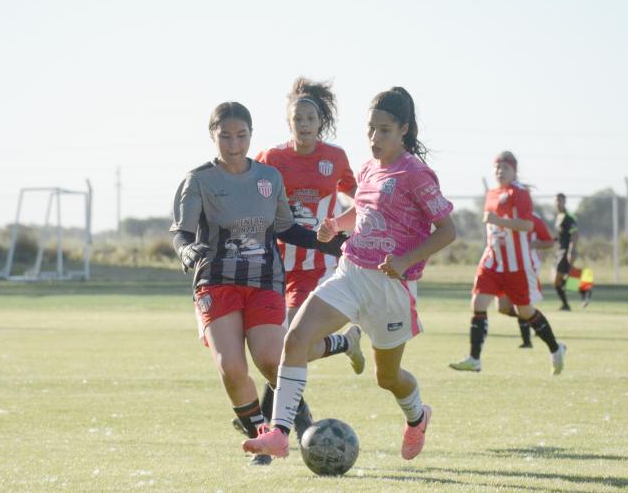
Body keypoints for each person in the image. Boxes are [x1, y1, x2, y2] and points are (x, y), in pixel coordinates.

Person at [241, 87, 456, 461]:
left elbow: (448, 231)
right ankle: (279, 433)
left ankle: (418, 416)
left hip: (391, 289)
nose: (374, 138)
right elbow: (365, 211)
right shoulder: (369, 168)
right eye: (370, 129)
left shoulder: (416, 174)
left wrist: (405, 262)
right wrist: (335, 224)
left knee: (387, 378)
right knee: (294, 339)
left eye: (384, 130)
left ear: (404, 129)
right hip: (351, 271)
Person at [169, 101, 346, 466]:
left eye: (242, 135)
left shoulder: (268, 178)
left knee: (271, 359)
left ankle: (296, 418)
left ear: (251, 135)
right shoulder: (198, 180)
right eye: (226, 136)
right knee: (231, 369)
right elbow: (181, 234)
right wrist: (186, 252)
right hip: (216, 282)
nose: (234, 144)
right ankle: (263, 437)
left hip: (265, 280)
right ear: (212, 136)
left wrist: (333, 241)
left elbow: (285, 228)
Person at [248, 77, 361, 430]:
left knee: (290, 345)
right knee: (281, 350)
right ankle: (345, 342)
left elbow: (361, 200)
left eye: (310, 119)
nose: (305, 125)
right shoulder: (271, 158)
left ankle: (273, 425)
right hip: (277, 265)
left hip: (320, 263)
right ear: (289, 123)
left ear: (320, 122)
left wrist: (346, 227)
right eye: (298, 119)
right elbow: (249, 193)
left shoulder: (335, 157)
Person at [449, 151, 566, 375]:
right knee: (478, 304)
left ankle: (556, 348)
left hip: (516, 265)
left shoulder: (520, 193)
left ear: (514, 170)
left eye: (505, 168)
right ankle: (474, 359)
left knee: (525, 311)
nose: (500, 172)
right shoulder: (492, 193)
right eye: (497, 168)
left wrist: (498, 220)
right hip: (492, 260)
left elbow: (527, 226)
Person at [495, 211, 556, 348]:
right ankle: (536, 320)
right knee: (502, 307)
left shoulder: (534, 219)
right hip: (504, 265)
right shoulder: (502, 217)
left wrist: (533, 245)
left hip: (526, 265)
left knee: (520, 303)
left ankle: (527, 341)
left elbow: (549, 242)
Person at [553, 192, 579, 311]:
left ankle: (579, 284)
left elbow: (574, 234)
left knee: (557, 279)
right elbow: (561, 235)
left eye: (560, 201)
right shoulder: (559, 216)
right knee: (556, 280)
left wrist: (571, 251)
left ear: (565, 202)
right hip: (559, 251)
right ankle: (566, 304)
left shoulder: (569, 217)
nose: (558, 203)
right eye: (556, 201)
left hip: (565, 251)